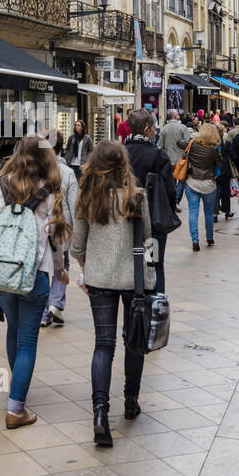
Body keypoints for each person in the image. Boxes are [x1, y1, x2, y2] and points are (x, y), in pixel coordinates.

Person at [0, 135, 69, 428]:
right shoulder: (50, 192)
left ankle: (16, 394)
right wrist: (60, 271)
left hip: (0, 274)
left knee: (14, 330)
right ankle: (15, 408)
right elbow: (56, 240)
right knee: (28, 340)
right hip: (35, 275)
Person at [70, 139, 156, 447]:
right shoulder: (137, 197)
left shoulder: (88, 198)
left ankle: (99, 413)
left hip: (99, 280)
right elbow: (147, 239)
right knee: (134, 341)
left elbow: (76, 246)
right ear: (124, 166)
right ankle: (131, 402)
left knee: (103, 345)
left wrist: (89, 265)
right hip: (134, 280)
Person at [124, 109, 175, 293]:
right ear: (146, 129)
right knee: (154, 263)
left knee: (130, 261)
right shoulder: (158, 155)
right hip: (153, 220)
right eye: (154, 128)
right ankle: (155, 306)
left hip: (125, 218)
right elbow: (170, 189)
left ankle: (134, 304)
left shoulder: (120, 153)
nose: (155, 131)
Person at [40, 129, 77, 327]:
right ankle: (55, 303)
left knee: (43, 267)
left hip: (41, 227)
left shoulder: (33, 171)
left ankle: (45, 312)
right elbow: (75, 204)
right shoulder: (68, 172)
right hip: (62, 226)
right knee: (62, 264)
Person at [184, 122, 222, 251]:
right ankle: (210, 237)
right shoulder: (214, 149)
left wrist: (192, 137)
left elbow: (179, 142)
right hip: (208, 184)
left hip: (192, 182)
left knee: (193, 212)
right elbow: (221, 165)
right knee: (209, 213)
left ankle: (195, 241)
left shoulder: (193, 145)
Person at [159, 110, 195, 204]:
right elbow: (189, 143)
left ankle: (172, 199)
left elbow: (160, 145)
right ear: (175, 116)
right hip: (181, 159)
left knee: (171, 180)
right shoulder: (183, 128)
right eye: (178, 114)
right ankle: (176, 200)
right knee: (182, 180)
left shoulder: (164, 129)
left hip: (168, 158)